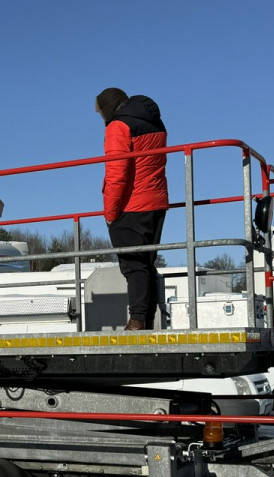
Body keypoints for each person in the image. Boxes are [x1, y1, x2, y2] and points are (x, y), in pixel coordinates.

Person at [95, 88, 169, 330]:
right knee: (146, 262)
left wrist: (110, 212)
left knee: (133, 265)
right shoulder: (156, 124)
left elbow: (117, 173)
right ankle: (145, 319)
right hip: (156, 202)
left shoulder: (118, 126)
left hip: (131, 204)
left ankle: (137, 321)